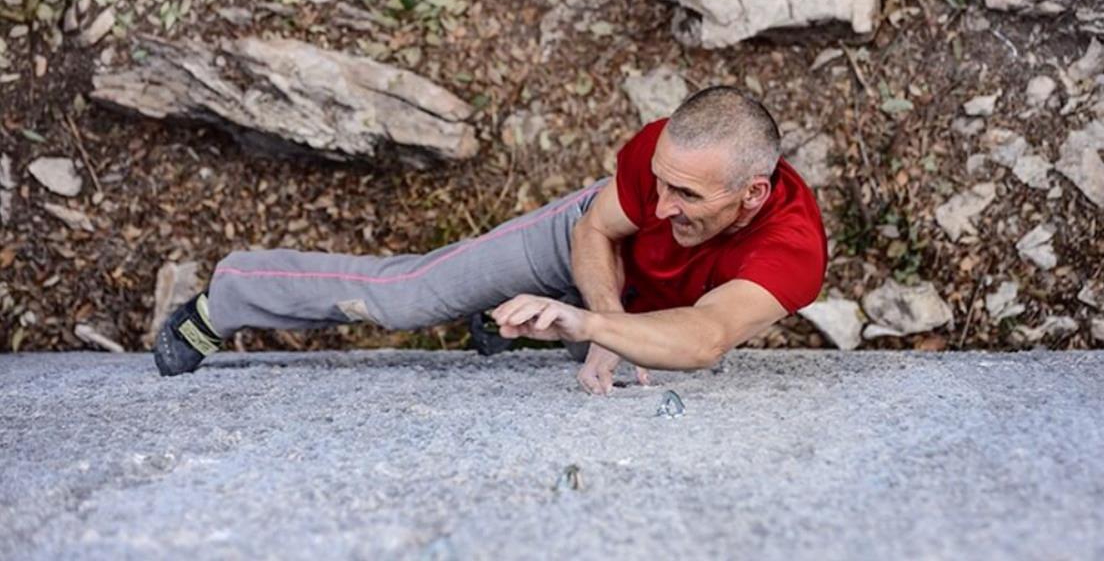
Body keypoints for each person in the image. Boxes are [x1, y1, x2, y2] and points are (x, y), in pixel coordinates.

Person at [154, 86, 829, 394]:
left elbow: (706, 338)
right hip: (584, 247)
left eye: (685, 196)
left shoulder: (791, 250)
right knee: (406, 300)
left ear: (753, 193)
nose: (659, 205)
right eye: (658, 184)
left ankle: (514, 315)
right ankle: (232, 296)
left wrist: (595, 324)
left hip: (649, 302)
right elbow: (599, 225)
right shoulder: (666, 156)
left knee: (654, 361)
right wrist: (602, 324)